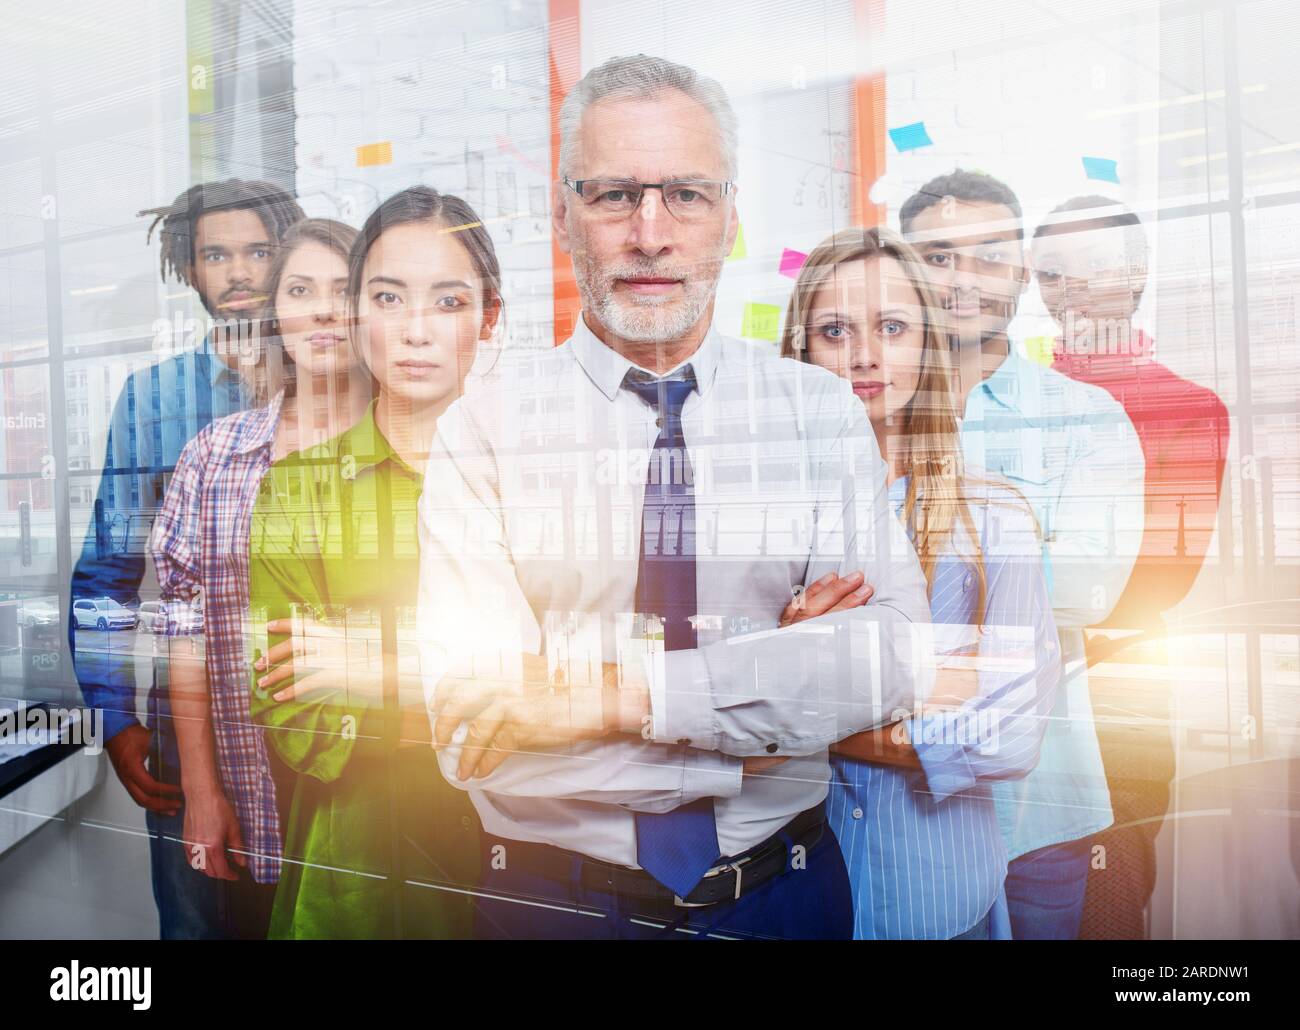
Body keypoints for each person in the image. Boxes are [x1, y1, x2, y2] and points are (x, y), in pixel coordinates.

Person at [415, 54, 932, 941]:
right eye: (615, 194)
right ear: (563, 213)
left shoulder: (815, 413)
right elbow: (475, 729)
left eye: (686, 195)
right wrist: (776, 690)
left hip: (784, 897)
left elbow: (894, 658)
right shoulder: (484, 429)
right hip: (553, 905)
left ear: (730, 215)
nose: (650, 233)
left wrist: (603, 699)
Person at [777, 225, 1060, 939]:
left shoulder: (993, 521)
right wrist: (922, 684)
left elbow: (1011, 732)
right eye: (835, 330)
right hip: (794, 904)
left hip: (941, 904)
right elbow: (719, 718)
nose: (865, 356)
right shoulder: (758, 528)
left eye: (892, 328)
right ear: (802, 352)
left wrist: (808, 693)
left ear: (927, 345)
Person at [900, 169, 1146, 939]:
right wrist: (1009, 561)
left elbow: (1088, 587)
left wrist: (900, 578)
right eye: (937, 257)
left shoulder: (1083, 417)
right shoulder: (849, 409)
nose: (962, 280)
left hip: (1038, 805)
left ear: (1021, 276)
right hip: (886, 801)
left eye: (989, 257)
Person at [246, 189, 495, 937]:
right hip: (360, 878)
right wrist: (475, 690)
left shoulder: (539, 481)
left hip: (536, 869)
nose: (416, 331)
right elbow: (296, 711)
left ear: (489, 318)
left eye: (448, 301)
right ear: (355, 315)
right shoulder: (297, 489)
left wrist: (370, 668)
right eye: (389, 298)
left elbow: (571, 682)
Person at [72, 179, 304, 939]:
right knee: (199, 929)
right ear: (189, 268)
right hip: (187, 724)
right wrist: (115, 718)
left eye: (257, 252)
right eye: (215, 254)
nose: (238, 273)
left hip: (318, 717)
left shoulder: (336, 386)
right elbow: (108, 574)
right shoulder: (152, 399)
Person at [148, 217, 357, 937]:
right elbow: (186, 633)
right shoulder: (216, 454)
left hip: (379, 795)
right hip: (250, 787)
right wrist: (202, 792)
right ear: (276, 313)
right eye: (301, 289)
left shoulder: (418, 447)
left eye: (344, 288)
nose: (324, 309)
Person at [1031, 196, 1231, 939]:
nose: (1069, 289)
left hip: (1116, 693)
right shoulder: (1000, 403)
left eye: (1092, 268)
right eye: (1051, 272)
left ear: (1137, 274)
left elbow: (1162, 575)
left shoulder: (1185, 406)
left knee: (1103, 915)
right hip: (1010, 690)